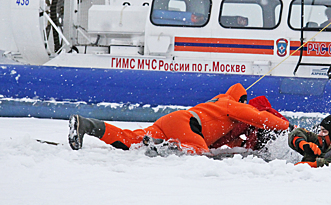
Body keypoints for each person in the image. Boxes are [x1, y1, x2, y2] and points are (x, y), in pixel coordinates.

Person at [68, 83, 290, 154]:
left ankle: (86, 124)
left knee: (130, 140)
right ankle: (163, 146)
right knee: (200, 154)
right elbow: (263, 119)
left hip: (173, 121)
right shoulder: (231, 105)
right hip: (188, 126)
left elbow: (228, 142)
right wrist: (288, 126)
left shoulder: (215, 106)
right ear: (240, 99)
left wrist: (243, 146)